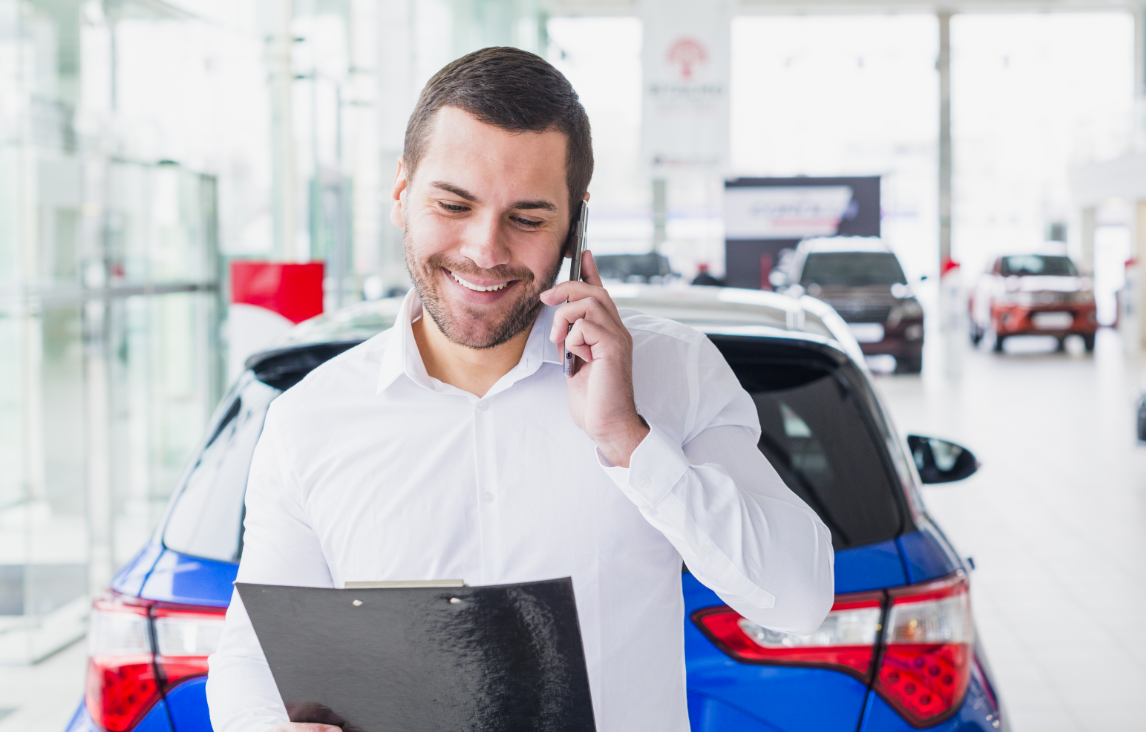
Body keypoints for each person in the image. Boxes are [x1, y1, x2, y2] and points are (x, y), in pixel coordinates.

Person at [205, 47, 834, 732]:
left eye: (528, 219)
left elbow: (798, 597)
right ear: (400, 194)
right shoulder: (310, 421)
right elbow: (249, 663)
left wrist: (628, 440)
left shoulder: (671, 372)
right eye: (453, 203)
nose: (485, 249)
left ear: (574, 225)